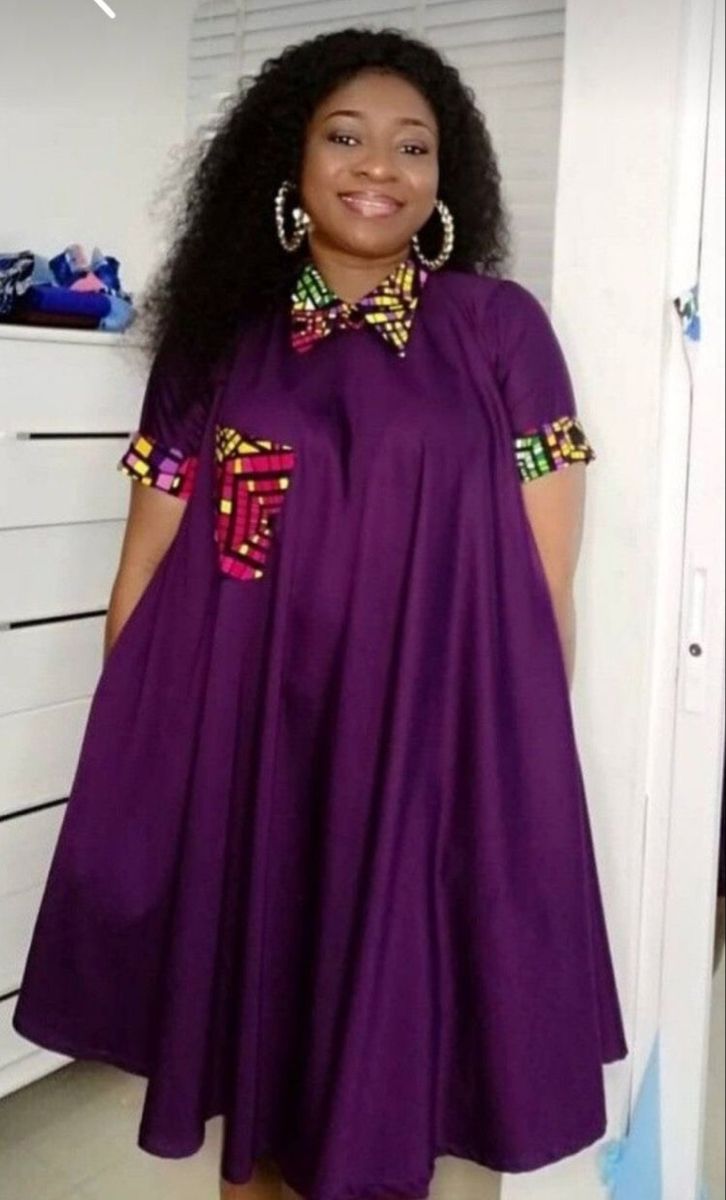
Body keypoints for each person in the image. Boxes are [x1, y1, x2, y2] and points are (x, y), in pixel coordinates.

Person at [12, 26, 628, 1200]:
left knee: (385, 1070)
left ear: (446, 179)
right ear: (289, 164)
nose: (379, 166)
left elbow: (546, 578)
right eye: (346, 136)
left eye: (413, 146)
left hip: (419, 755)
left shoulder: (499, 329)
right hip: (253, 752)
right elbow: (147, 564)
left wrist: (507, 772)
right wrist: (145, 767)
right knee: (251, 1075)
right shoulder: (217, 344)